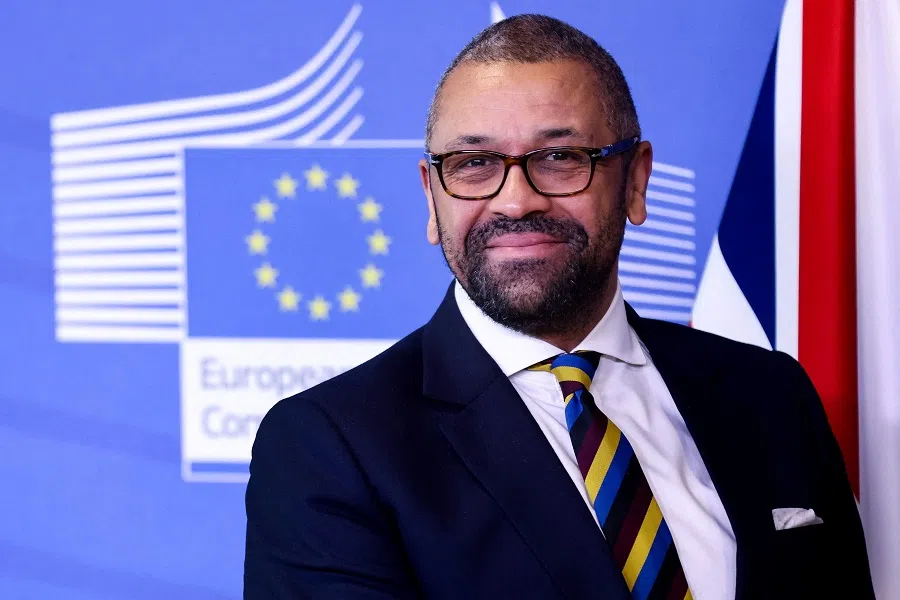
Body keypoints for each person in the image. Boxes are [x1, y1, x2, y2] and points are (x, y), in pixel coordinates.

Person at [243, 14, 873, 600]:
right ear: (432, 194)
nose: (516, 201)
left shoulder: (769, 393)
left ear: (635, 180)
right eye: (474, 162)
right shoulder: (331, 446)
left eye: (559, 158)